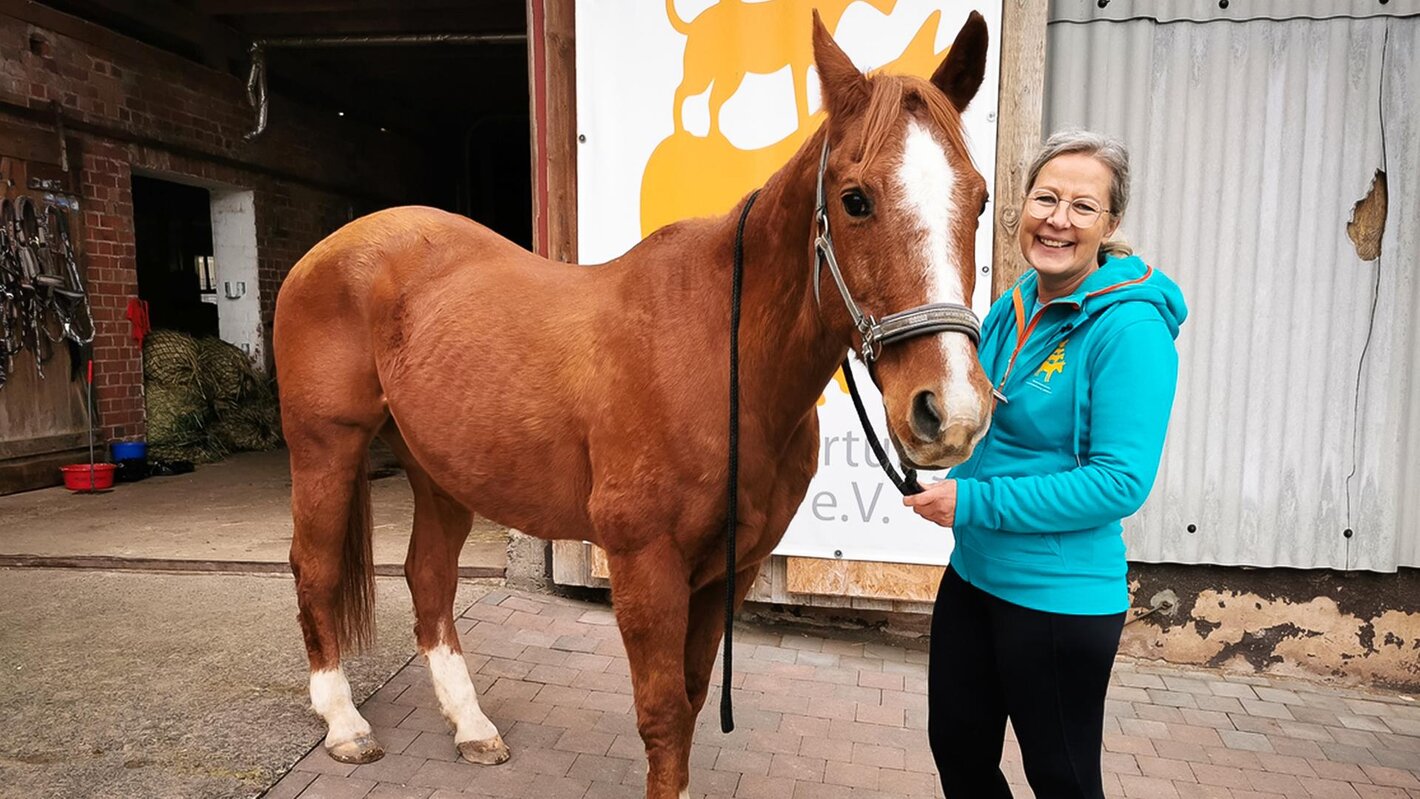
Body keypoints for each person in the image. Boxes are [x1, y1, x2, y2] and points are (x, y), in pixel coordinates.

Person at [904, 129, 1187, 798]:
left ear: (1110, 224)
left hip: (1058, 600)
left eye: (1082, 206)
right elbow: (985, 409)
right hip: (975, 577)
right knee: (960, 755)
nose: (1058, 218)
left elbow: (1120, 482)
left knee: (1060, 777)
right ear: (1023, 206)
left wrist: (973, 503)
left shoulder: (1131, 330)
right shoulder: (1018, 298)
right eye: (1046, 197)